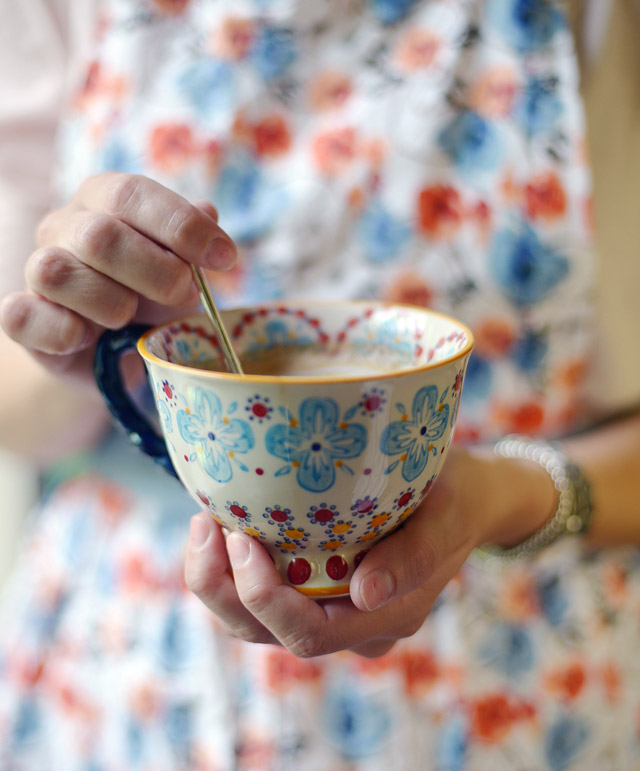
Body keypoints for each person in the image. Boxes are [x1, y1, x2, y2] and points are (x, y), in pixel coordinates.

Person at [0, 0, 639, 768]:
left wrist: (506, 492)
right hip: (137, 676)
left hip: (521, 677)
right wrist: (101, 357)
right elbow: (16, 409)